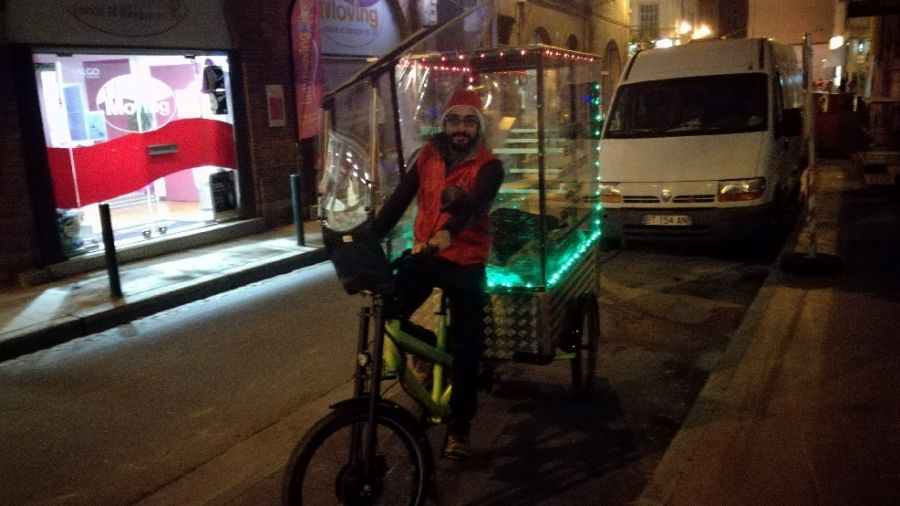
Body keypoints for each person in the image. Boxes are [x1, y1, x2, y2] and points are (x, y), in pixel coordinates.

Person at [375, 88, 504, 460]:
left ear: (477, 126)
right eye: (453, 119)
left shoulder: (489, 166)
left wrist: (451, 230)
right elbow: (398, 201)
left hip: (465, 259)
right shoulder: (427, 156)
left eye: (468, 120)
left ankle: (459, 427)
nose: (460, 127)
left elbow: (476, 202)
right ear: (444, 123)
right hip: (427, 254)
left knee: (467, 347)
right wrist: (363, 236)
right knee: (388, 308)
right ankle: (426, 350)